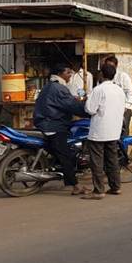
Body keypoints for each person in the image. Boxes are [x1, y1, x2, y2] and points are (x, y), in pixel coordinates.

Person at [33, 63, 88, 195]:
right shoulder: (59, 88)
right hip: (54, 125)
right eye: (68, 72)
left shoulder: (49, 86)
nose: (70, 75)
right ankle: (75, 186)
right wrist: (88, 110)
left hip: (45, 122)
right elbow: (72, 106)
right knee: (66, 155)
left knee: (62, 151)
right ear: (61, 74)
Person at [82, 63, 126, 199]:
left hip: (99, 131)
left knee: (97, 162)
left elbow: (90, 109)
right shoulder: (119, 90)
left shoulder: (99, 90)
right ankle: (115, 187)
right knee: (112, 160)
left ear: (101, 75)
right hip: (114, 131)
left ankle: (99, 190)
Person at [101, 55, 132, 137]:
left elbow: (130, 93)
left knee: (123, 130)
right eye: (107, 66)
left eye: (111, 66)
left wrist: (126, 107)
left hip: (125, 109)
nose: (109, 68)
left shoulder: (123, 76)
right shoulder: (103, 77)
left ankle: (124, 149)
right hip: (110, 109)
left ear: (116, 66)